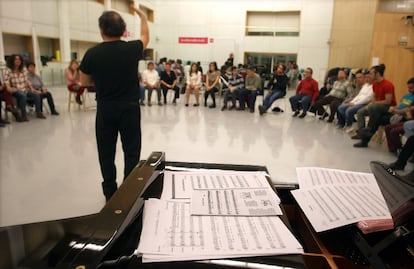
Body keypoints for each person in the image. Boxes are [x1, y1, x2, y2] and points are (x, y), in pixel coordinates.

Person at [79, 5, 149, 201]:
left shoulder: (92, 54)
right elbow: (145, 36)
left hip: (106, 109)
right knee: (132, 151)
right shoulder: (132, 48)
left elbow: (84, 82)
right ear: (123, 30)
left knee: (106, 152)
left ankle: (110, 192)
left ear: (101, 30)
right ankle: (129, 190)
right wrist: (143, 17)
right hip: (130, 108)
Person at [354, 64, 396, 148]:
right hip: (376, 107)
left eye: (371, 73)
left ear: (377, 74)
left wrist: (374, 104)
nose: (369, 75)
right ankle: (362, 132)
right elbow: (374, 98)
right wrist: (371, 104)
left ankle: (368, 130)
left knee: (374, 107)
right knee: (361, 112)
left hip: (387, 107)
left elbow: (388, 101)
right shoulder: (375, 84)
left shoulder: (388, 85)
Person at [4, 54, 46, 121]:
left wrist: (32, 88)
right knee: (22, 95)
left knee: (36, 95)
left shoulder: (23, 69)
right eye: (16, 59)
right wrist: (8, 87)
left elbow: (27, 81)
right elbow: (6, 81)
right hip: (15, 89)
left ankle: (39, 112)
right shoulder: (8, 70)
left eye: (19, 59)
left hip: (25, 89)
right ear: (12, 61)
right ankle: (24, 115)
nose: (18, 61)